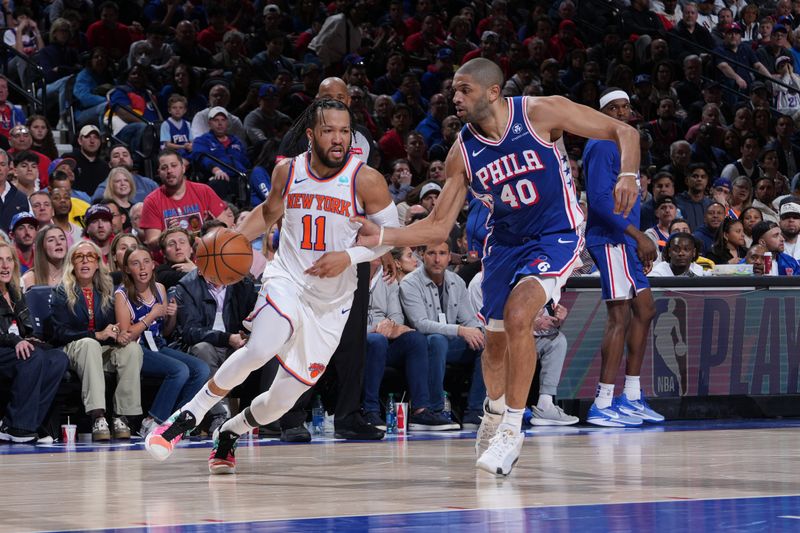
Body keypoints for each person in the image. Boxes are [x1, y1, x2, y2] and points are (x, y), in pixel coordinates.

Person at [353, 58, 641, 475]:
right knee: (496, 343)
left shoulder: (540, 112)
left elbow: (624, 130)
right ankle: (493, 409)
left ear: (492, 92)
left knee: (520, 313)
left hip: (555, 233)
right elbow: (436, 226)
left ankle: (512, 427)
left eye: (464, 89)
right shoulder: (461, 152)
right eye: (453, 90)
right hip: (503, 243)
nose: (454, 97)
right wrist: (382, 237)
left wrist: (628, 173)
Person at [145, 98, 398, 474]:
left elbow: (389, 238)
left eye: (345, 131)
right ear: (311, 134)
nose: (338, 138)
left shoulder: (367, 179)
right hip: (288, 279)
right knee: (261, 346)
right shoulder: (287, 171)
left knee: (279, 402)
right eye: (329, 130)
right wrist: (233, 239)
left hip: (331, 304)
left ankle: (230, 431)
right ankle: (186, 417)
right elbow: (268, 213)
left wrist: (350, 258)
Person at [582, 88, 662, 428]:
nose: (621, 112)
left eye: (626, 106)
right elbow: (600, 202)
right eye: (613, 108)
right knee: (619, 316)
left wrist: (637, 242)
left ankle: (630, 396)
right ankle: (602, 402)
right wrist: (638, 236)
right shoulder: (601, 144)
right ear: (602, 114)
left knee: (645, 310)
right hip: (610, 239)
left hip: (626, 241)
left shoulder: (627, 145)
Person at [50, 240, 144, 441]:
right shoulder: (61, 291)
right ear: (72, 263)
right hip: (72, 348)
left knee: (132, 350)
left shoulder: (107, 291)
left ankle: (121, 416)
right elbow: (59, 333)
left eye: (90, 257)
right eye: (79, 257)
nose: (85, 261)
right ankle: (97, 416)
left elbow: (112, 326)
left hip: (99, 349)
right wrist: (96, 335)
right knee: (89, 343)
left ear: (97, 263)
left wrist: (118, 333)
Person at [114, 245, 209, 437]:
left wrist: (171, 317)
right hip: (136, 350)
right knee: (179, 370)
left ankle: (178, 420)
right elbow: (126, 336)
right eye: (135, 263)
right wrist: (150, 316)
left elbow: (165, 331)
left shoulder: (160, 289)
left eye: (146, 262)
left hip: (158, 344)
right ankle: (152, 421)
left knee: (201, 369)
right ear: (126, 269)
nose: (142, 268)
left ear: (153, 265)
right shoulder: (121, 294)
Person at [468, 270, 579, 426]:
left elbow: (540, 316)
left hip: (525, 335)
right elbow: (485, 325)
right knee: (501, 345)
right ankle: (497, 408)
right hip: (494, 337)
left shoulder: (532, 280)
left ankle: (545, 405)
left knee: (557, 341)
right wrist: (529, 325)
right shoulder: (479, 282)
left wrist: (554, 320)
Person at [361, 256, 456, 431]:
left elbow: (396, 314)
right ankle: (370, 410)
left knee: (416, 339)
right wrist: (375, 329)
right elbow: (341, 319)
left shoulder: (387, 277)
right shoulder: (349, 277)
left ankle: (420, 411)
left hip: (386, 338)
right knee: (377, 340)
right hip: (357, 342)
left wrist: (392, 325)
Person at [399, 241, 486, 427]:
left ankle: (475, 410)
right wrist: (461, 330)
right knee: (437, 340)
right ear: (422, 255)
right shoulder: (410, 283)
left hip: (449, 342)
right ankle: (434, 409)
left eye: (442, 253)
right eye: (431, 253)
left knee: (487, 343)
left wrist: (477, 332)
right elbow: (420, 324)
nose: (437, 259)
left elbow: (469, 320)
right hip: (422, 346)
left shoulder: (457, 282)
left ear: (449, 257)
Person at [0, 240, 69, 443]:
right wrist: (16, 341)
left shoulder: (15, 292)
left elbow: (23, 328)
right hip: (4, 347)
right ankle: (15, 425)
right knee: (32, 356)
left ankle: (33, 422)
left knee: (58, 359)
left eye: (8, 260)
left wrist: (28, 338)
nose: (5, 266)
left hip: (12, 347)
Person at [139, 150, 228, 250]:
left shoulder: (204, 191)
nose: (169, 171)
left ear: (183, 168)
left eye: (174, 165)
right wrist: (167, 234)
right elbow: (151, 243)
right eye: (164, 168)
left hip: (207, 252)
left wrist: (211, 226)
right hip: (173, 261)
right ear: (159, 173)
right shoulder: (151, 201)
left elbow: (226, 226)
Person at [21, 224, 67, 291]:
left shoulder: (74, 276)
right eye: (51, 240)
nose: (58, 242)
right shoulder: (29, 278)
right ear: (42, 247)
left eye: (62, 238)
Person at [160, 94, 193, 160]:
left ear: (185, 110)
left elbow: (192, 141)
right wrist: (183, 147)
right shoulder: (166, 124)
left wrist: (191, 146)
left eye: (181, 108)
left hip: (185, 151)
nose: (177, 110)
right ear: (169, 110)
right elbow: (167, 145)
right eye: (174, 108)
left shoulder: (187, 124)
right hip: (170, 152)